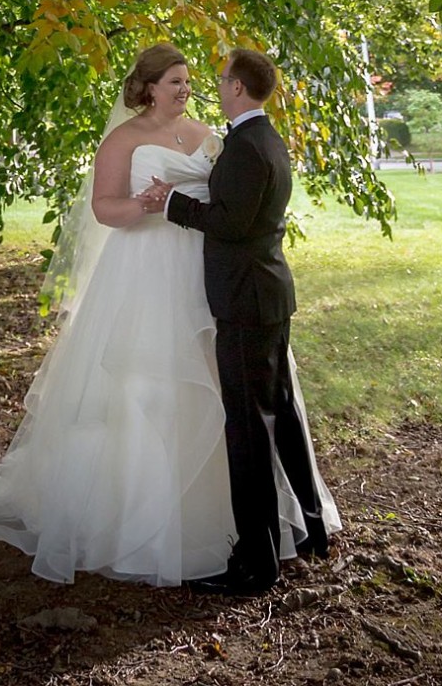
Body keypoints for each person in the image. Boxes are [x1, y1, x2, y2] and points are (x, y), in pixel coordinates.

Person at [0, 44, 338, 587]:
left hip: (212, 279)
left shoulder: (211, 137)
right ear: (148, 86)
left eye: (190, 80)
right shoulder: (123, 140)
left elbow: (231, 208)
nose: (185, 89)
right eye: (174, 81)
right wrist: (148, 206)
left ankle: (257, 531)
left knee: (241, 403)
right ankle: (158, 521)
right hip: (147, 276)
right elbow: (106, 208)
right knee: (150, 390)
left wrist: (174, 203)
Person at [143, 46, 336, 595]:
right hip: (268, 296)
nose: (215, 84)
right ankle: (312, 532)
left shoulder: (248, 147)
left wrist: (170, 204)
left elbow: (230, 225)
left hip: (246, 302)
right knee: (282, 414)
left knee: (247, 430)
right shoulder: (263, 140)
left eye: (221, 78)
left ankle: (257, 561)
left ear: (237, 88)